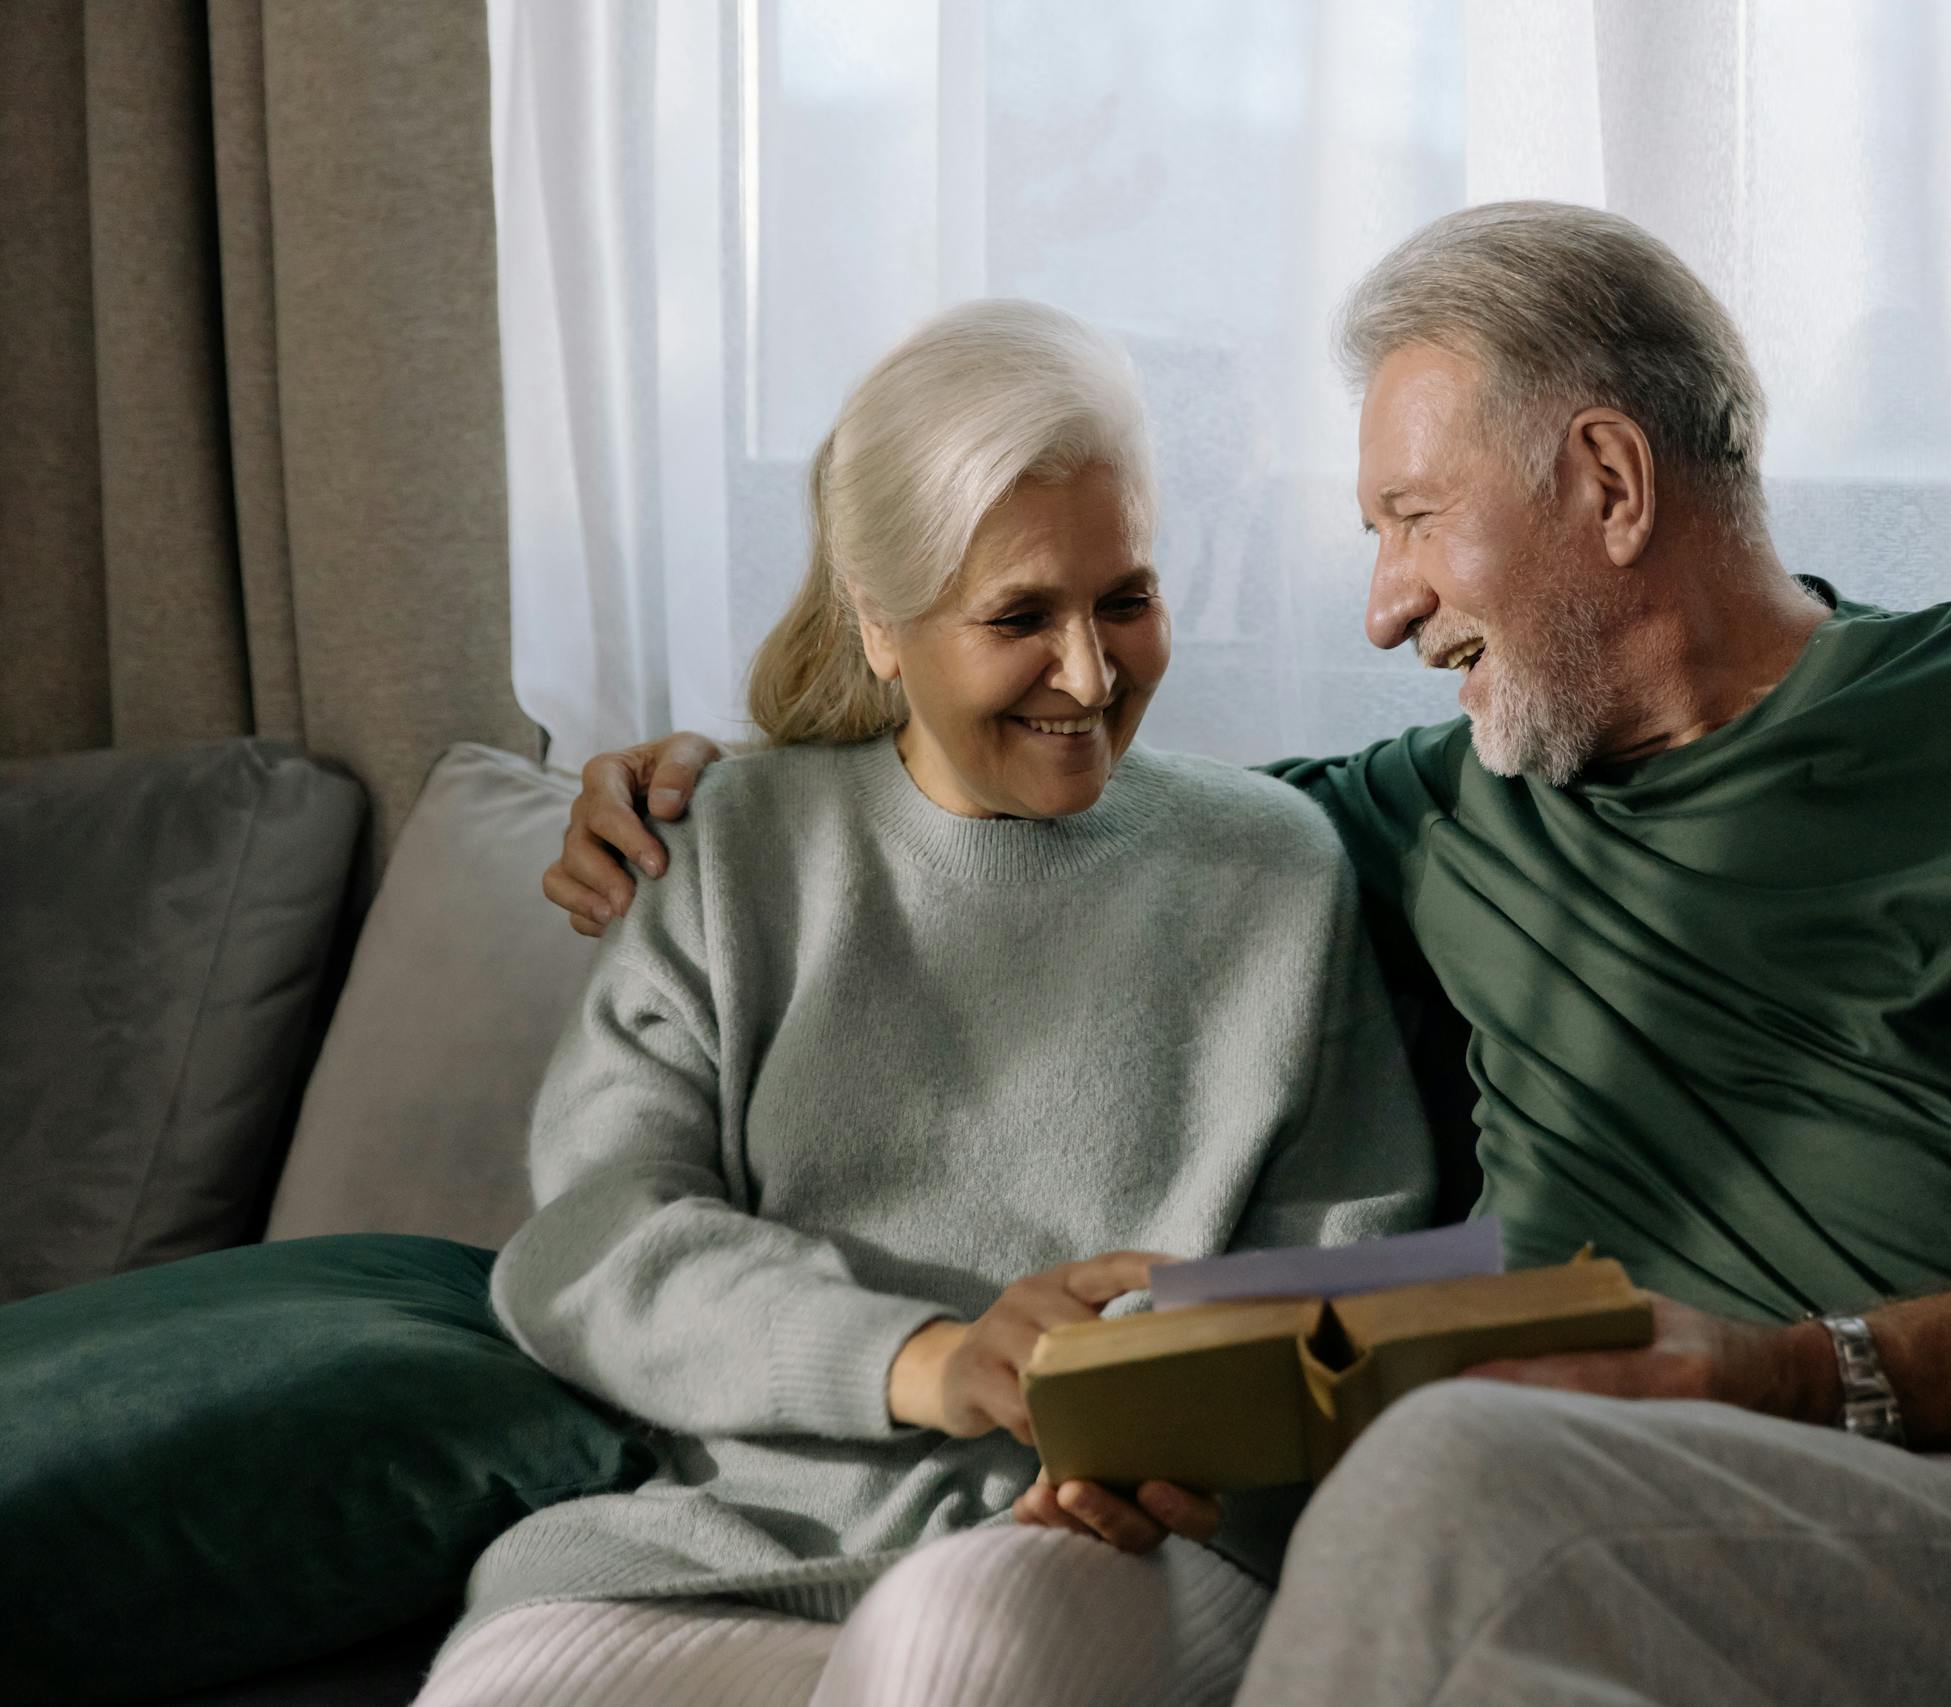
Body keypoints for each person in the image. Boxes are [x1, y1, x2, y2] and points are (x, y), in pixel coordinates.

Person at [548, 204, 1951, 1705]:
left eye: (1414, 523)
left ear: (1606, 480)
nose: (1384, 603)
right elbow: (1056, 804)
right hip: (1607, 1524)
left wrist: (1794, 1373)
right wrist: (730, 782)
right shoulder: (1447, 803)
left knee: (1438, 1473)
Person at [421, 299, 1432, 1707]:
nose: (1091, 675)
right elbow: (593, 1248)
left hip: (1101, 1560)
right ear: (881, 626)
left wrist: (1165, 1433)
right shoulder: (723, 848)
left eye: (1126, 600)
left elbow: (1346, 1276)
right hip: (718, 1546)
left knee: (950, 1660)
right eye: (1020, 617)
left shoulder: (1270, 868)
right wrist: (930, 1360)